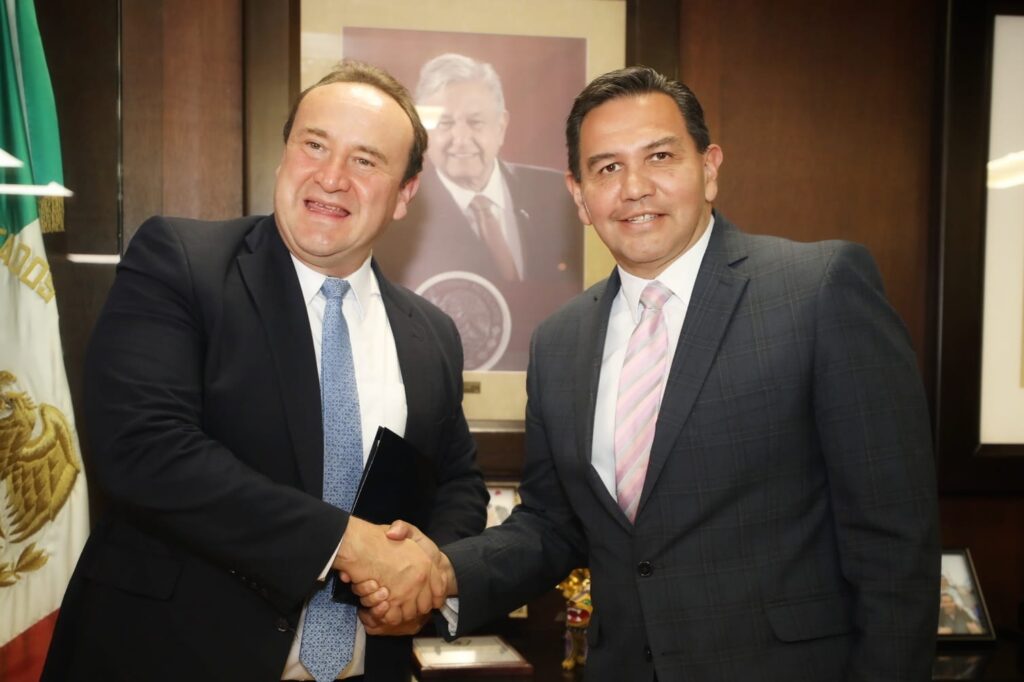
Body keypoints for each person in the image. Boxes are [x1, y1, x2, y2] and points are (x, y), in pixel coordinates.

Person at [360, 66, 941, 681]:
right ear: (580, 196)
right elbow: (552, 525)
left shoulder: (818, 291)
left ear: (709, 168)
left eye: (660, 157)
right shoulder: (559, 342)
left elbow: (893, 539)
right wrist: (444, 572)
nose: (634, 187)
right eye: (607, 167)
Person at [41, 60, 488, 682]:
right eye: (314, 145)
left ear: (405, 194)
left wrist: (425, 574)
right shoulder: (181, 263)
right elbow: (144, 448)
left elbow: (457, 481)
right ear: (284, 157)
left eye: (365, 160)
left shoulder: (430, 333)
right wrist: (346, 543)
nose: (331, 177)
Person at [372, 53, 582, 370]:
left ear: (501, 126)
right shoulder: (400, 208)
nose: (461, 139)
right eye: (445, 123)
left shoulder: (558, 194)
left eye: (475, 122)